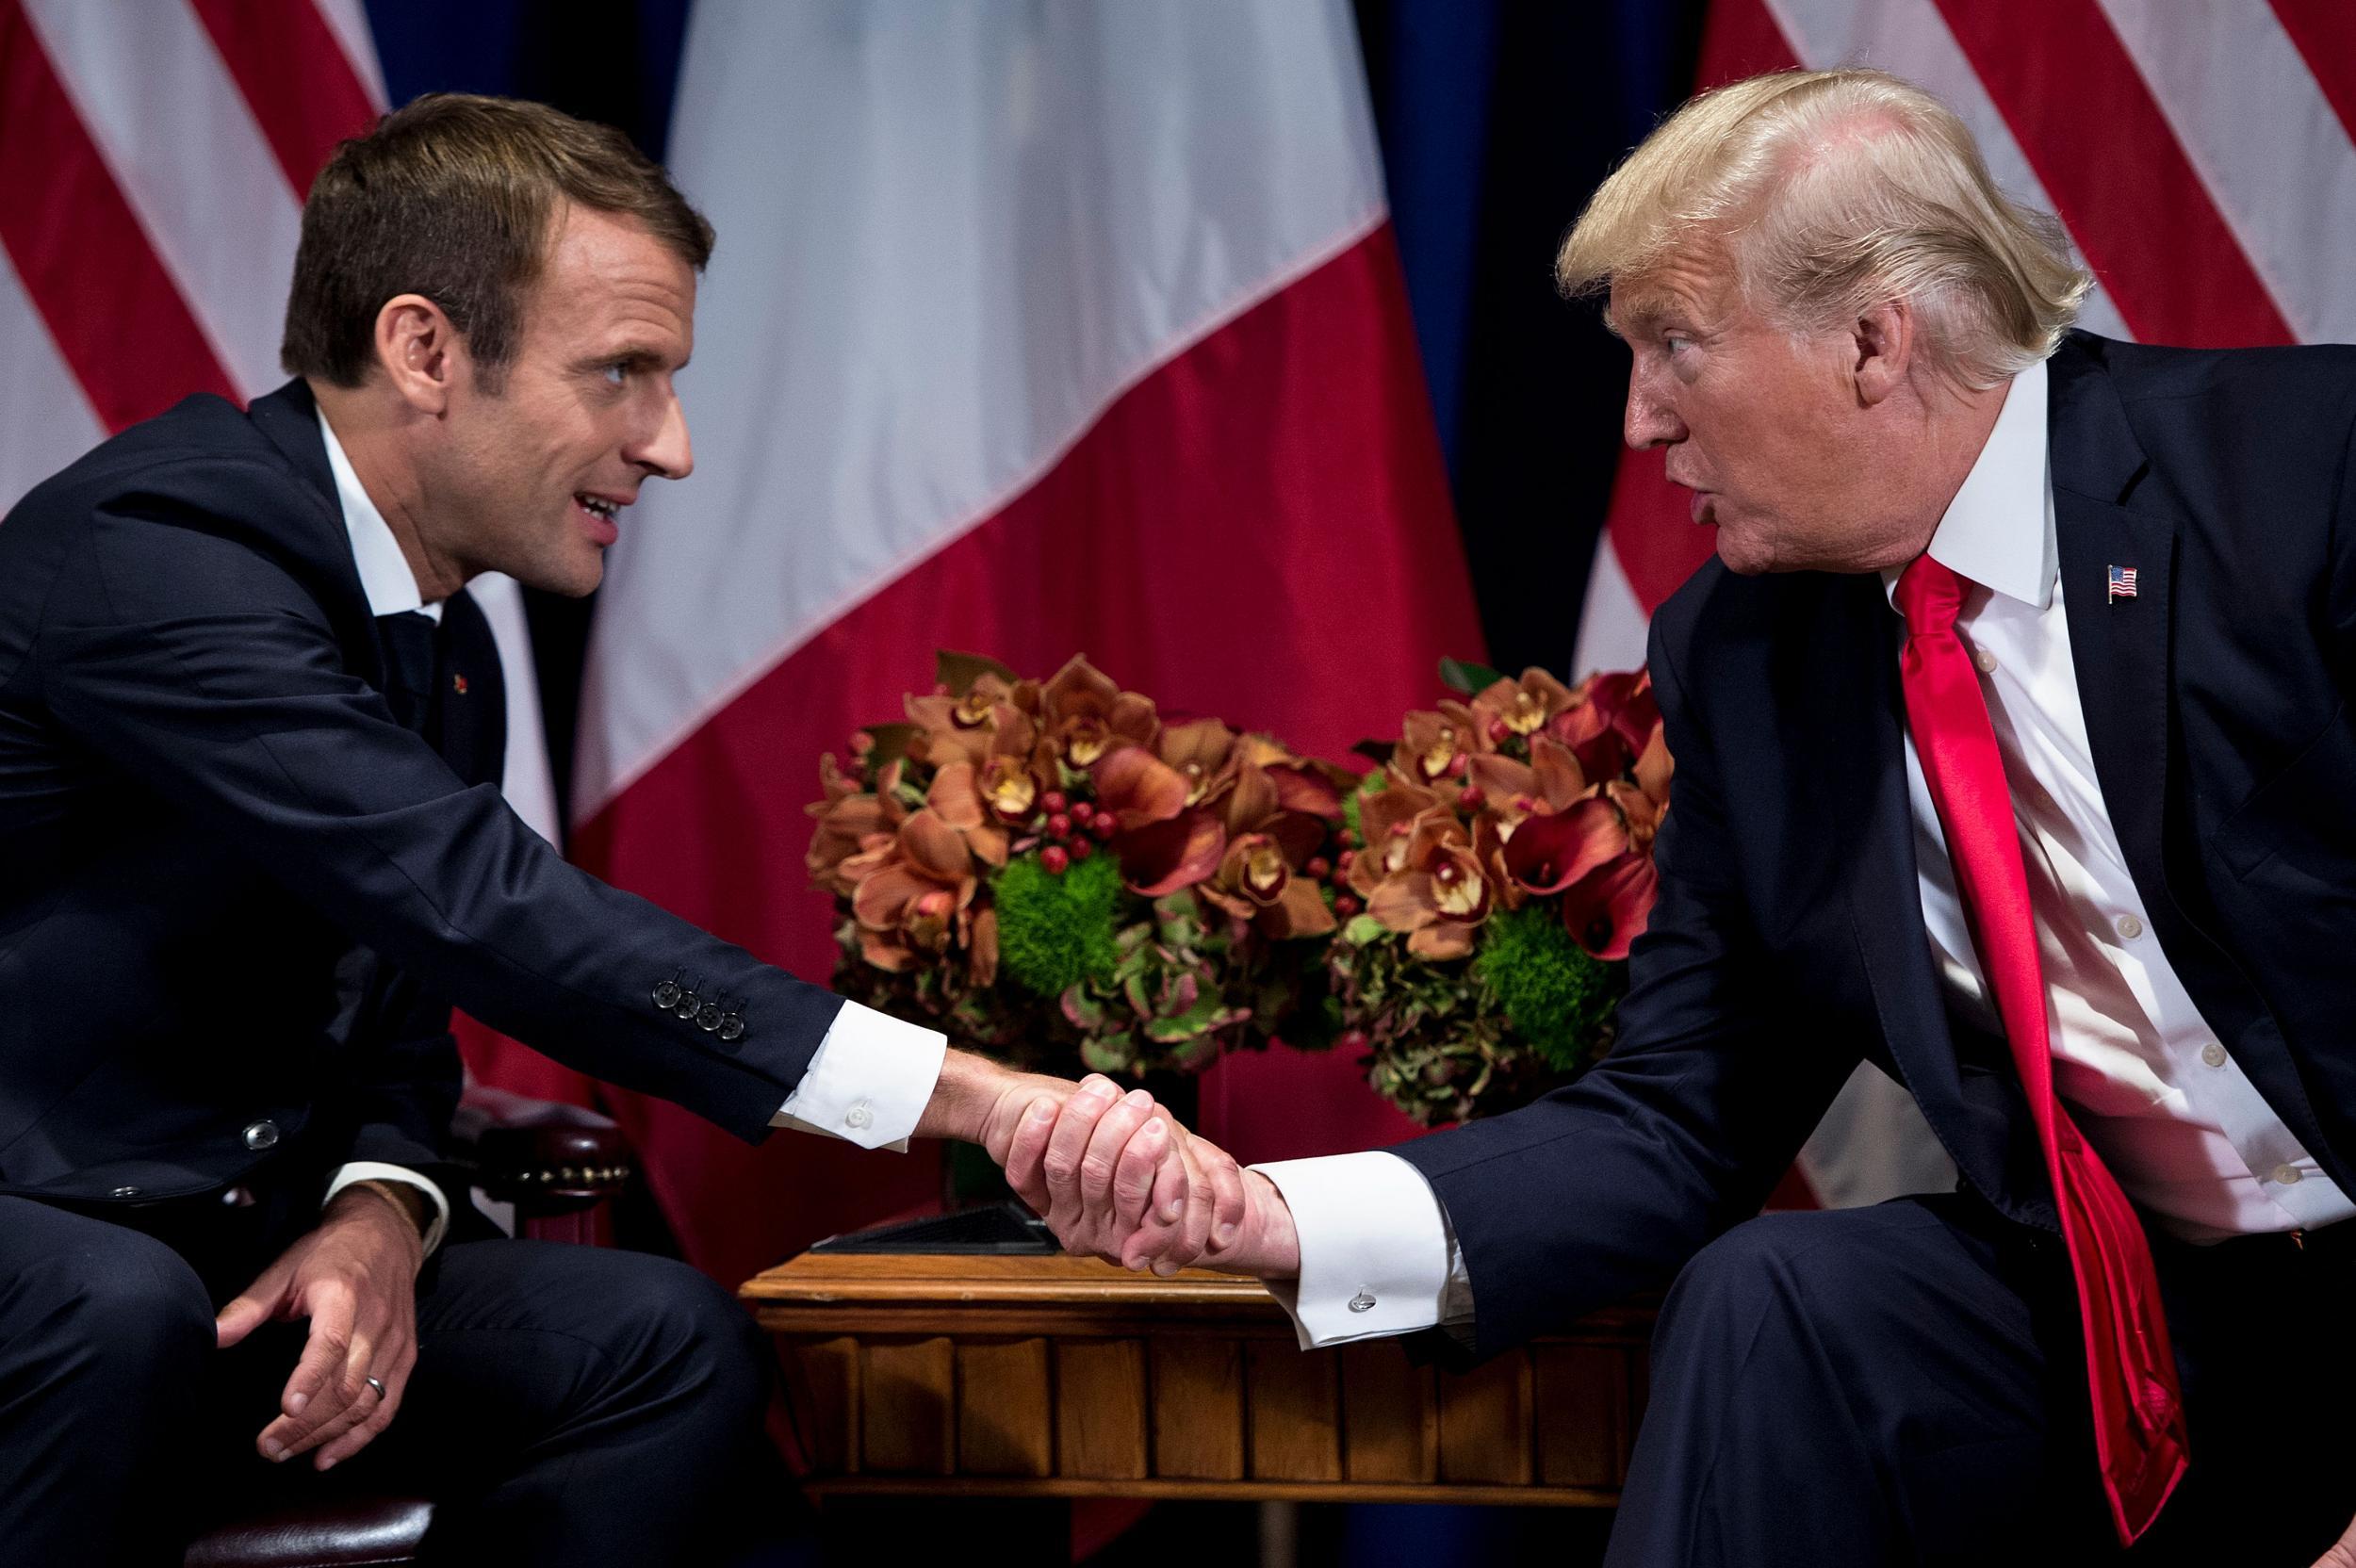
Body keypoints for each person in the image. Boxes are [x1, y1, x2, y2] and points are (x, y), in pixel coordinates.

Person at [1031, 68, 2356, 1567]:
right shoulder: (1743, 651)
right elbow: (1678, 1115)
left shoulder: (2308, 480)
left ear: (1872, 340)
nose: (1641, 420)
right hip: (2166, 1328)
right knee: (1776, 1303)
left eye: (1676, 347)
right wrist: (1267, 1216)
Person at [0, 93, 1238, 1567]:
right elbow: (484, 909)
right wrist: (978, 1100)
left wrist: (382, 1208)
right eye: (624, 374)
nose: (673, 446)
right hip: (47, 1239)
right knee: (116, 1309)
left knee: (666, 1343)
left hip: (225, 1254)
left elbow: (400, 1010)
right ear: (424, 351)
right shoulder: (159, 560)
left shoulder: (437, 628)